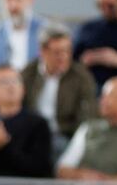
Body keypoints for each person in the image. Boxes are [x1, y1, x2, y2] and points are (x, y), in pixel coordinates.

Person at [56, 76, 117, 182]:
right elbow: (62, 169)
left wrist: (101, 182)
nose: (101, 101)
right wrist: (81, 175)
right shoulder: (87, 128)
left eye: (108, 96)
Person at [22, 23, 97, 152]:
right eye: (57, 52)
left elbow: (87, 115)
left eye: (67, 51)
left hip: (64, 135)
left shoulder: (81, 76)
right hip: (31, 134)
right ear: (42, 51)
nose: (64, 57)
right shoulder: (28, 74)